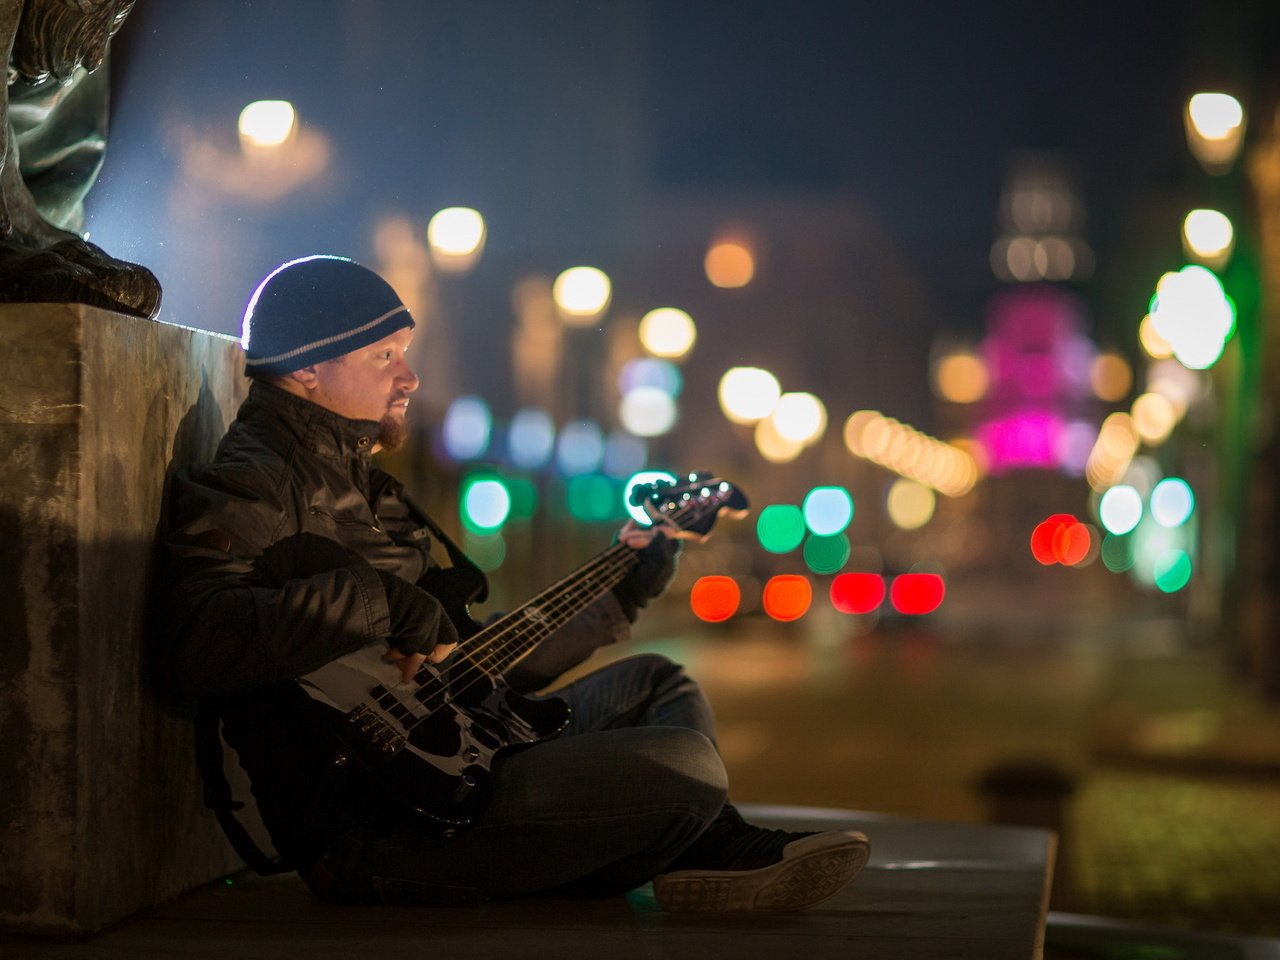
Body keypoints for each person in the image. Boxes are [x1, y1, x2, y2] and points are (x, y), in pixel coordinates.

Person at [157, 254, 870, 911]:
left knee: (657, 684)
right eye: (385, 357)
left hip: (454, 766)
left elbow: (468, 667)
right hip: (382, 826)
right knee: (682, 765)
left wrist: (628, 585)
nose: (408, 379)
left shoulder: (365, 485)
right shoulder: (254, 479)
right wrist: (382, 602)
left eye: (404, 356)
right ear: (307, 370)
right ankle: (709, 847)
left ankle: (703, 847)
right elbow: (198, 639)